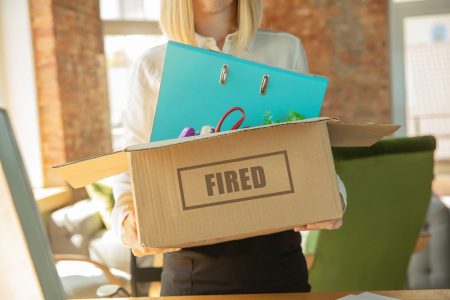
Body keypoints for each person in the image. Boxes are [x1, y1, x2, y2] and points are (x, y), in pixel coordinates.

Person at [112, 0, 346, 296]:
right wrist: (126, 219)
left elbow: (309, 148)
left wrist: (334, 196)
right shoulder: (152, 65)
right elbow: (129, 168)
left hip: (279, 266)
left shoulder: (285, 50)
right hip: (191, 272)